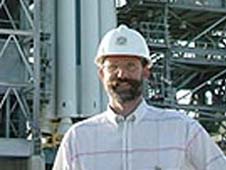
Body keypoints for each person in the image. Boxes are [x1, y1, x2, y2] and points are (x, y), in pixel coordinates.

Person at [52, 24, 226, 170]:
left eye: (131, 66)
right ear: (101, 74)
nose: (121, 74)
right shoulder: (79, 138)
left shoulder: (182, 130)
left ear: (145, 71)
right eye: (113, 67)